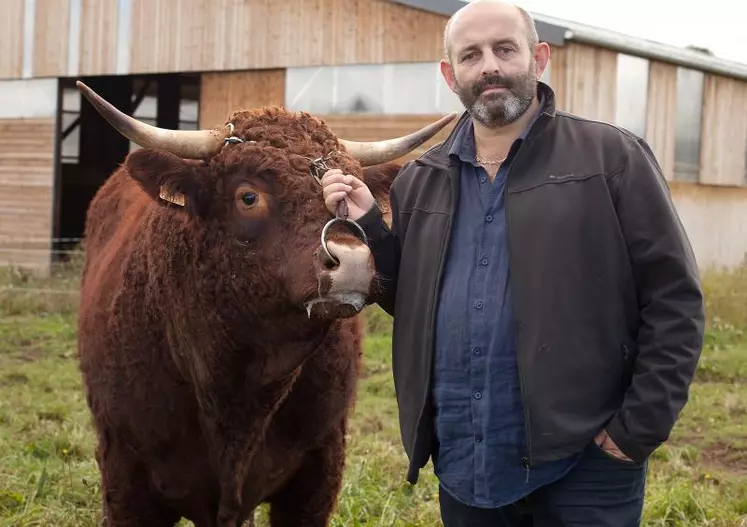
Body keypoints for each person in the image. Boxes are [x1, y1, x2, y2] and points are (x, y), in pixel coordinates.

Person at [321, 0, 705, 524]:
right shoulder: (420, 179)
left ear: (539, 57)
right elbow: (413, 302)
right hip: (464, 460)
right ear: (449, 73)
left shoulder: (611, 159)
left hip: (584, 467)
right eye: (471, 55)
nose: (490, 67)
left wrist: (634, 430)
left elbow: (675, 299)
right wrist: (370, 224)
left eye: (505, 49)